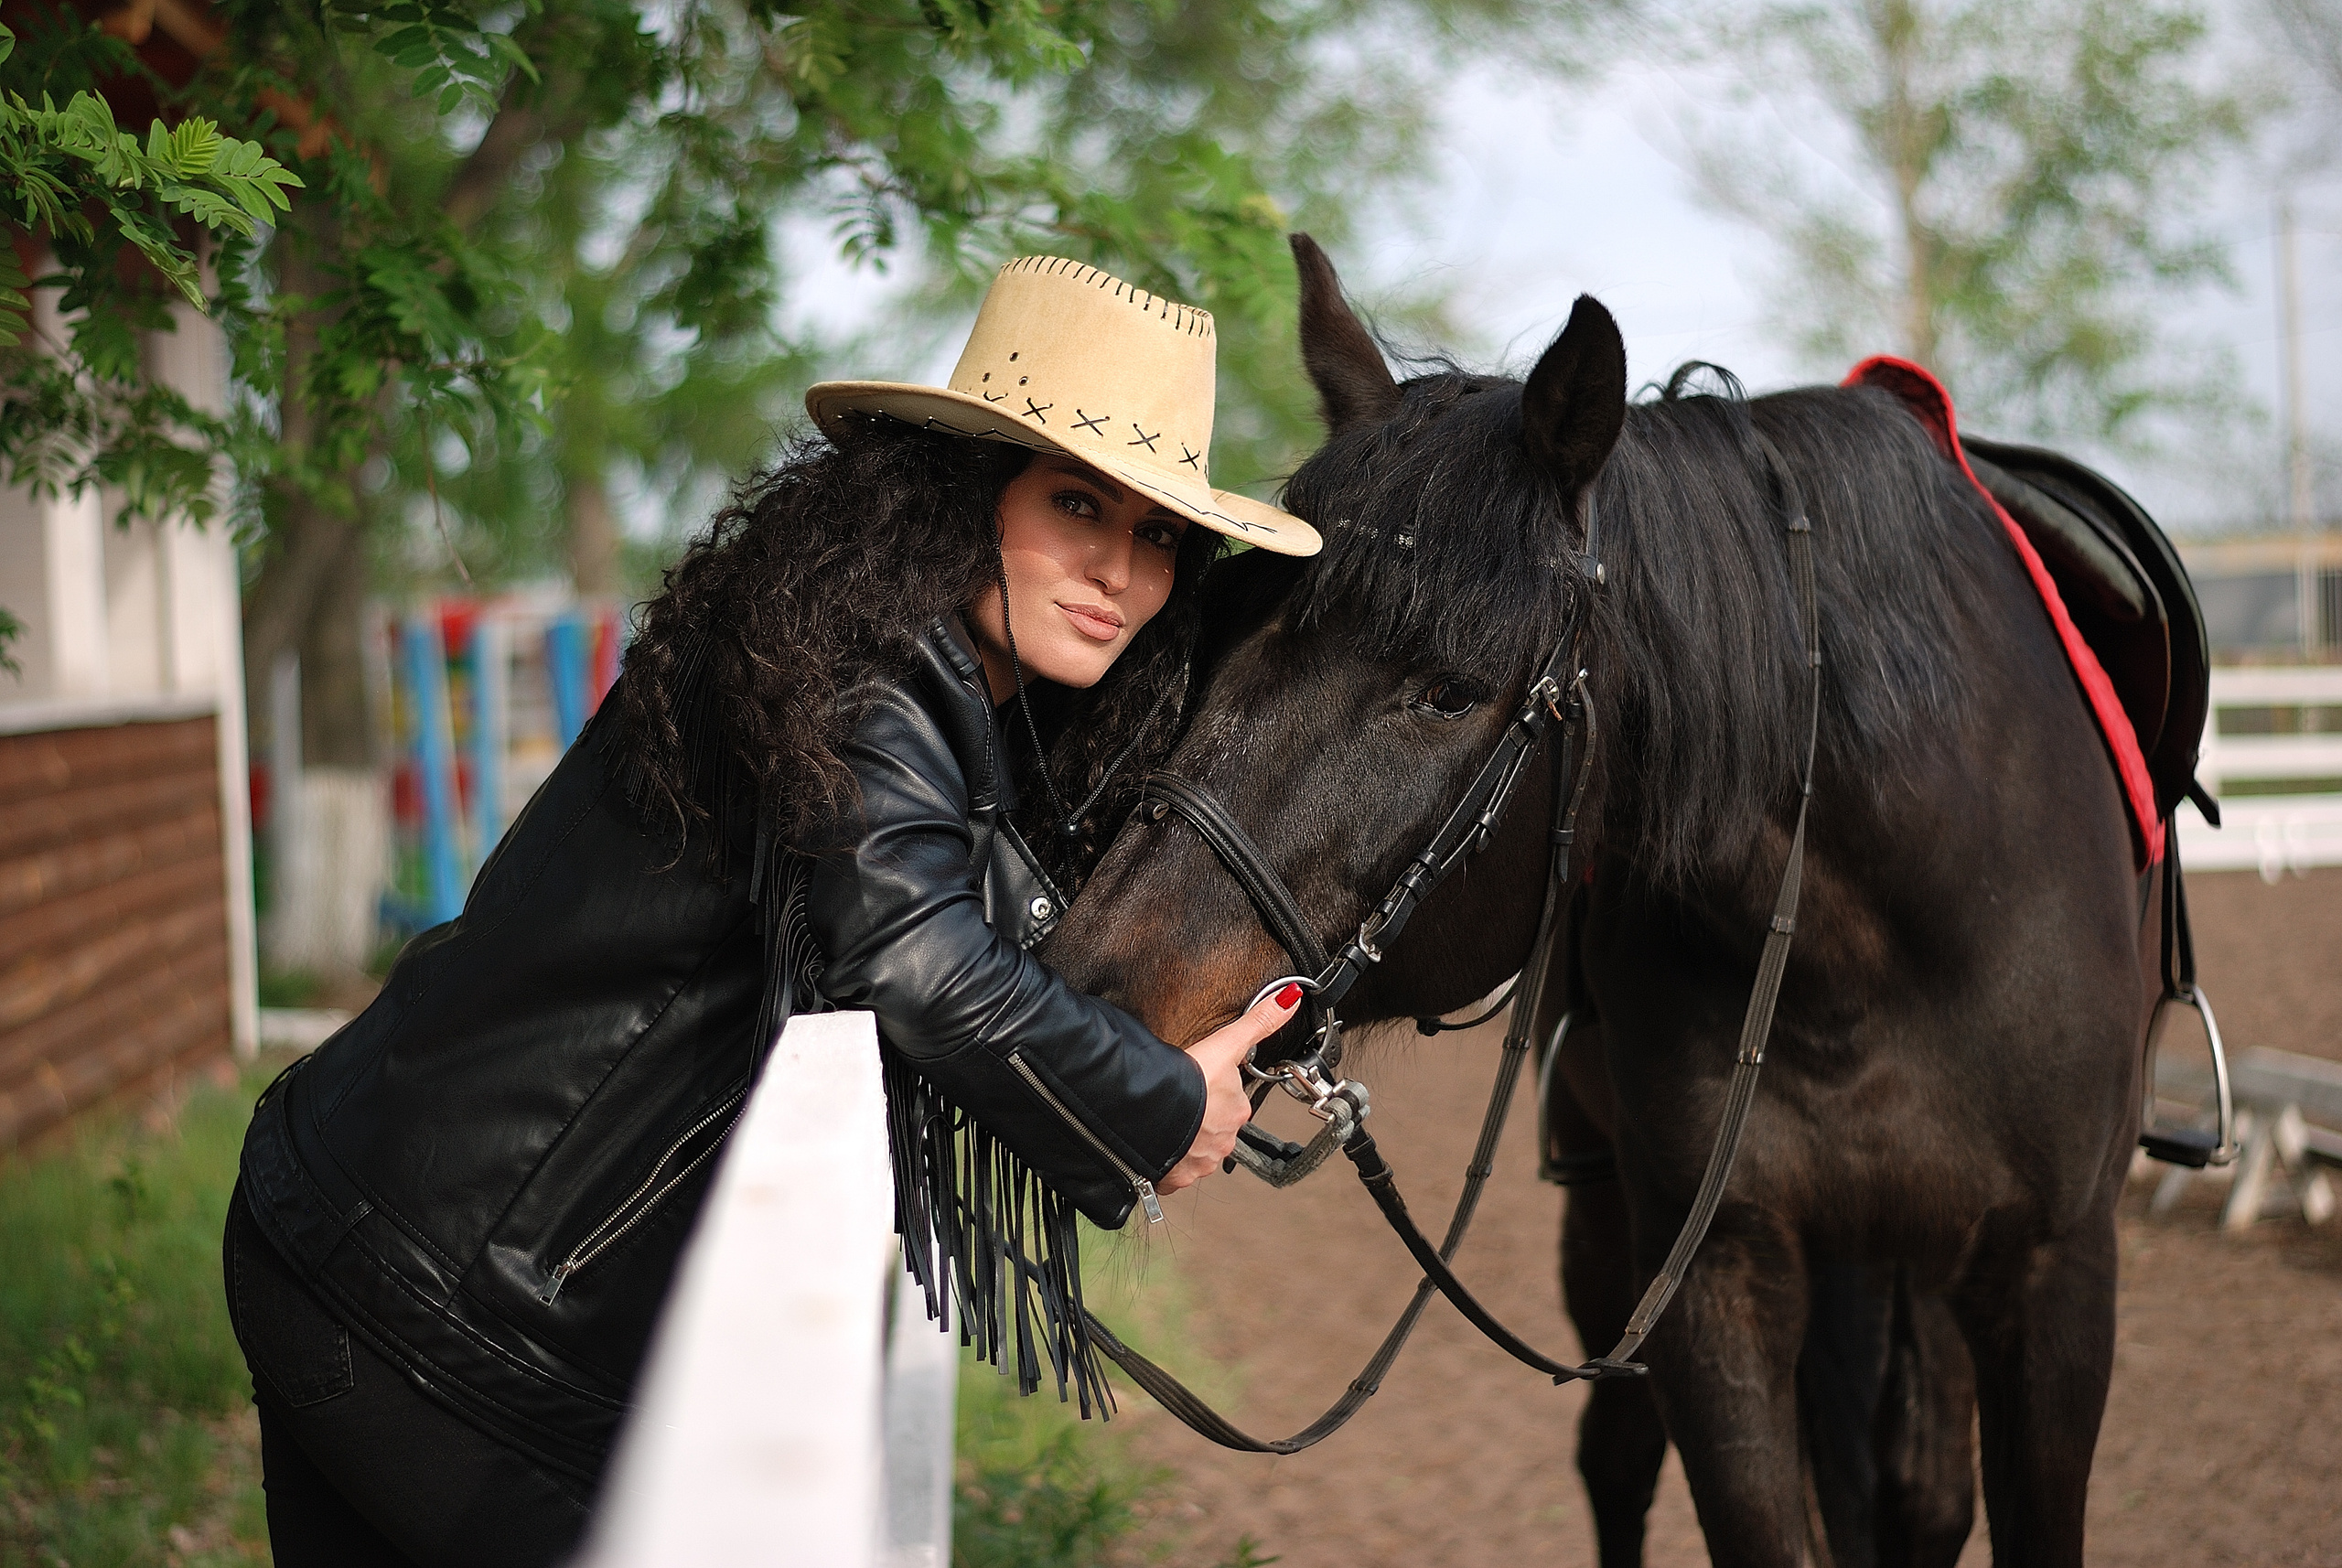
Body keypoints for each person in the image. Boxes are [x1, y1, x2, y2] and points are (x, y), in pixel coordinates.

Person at [224, 256, 1324, 1567]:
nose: (1119, 570)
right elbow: (920, 963)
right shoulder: (863, 676)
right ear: (965, 493)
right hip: (440, 1303)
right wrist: (1154, 1102)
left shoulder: (905, 663)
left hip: (379, 1226)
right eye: (1078, 501)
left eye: (1157, 535)